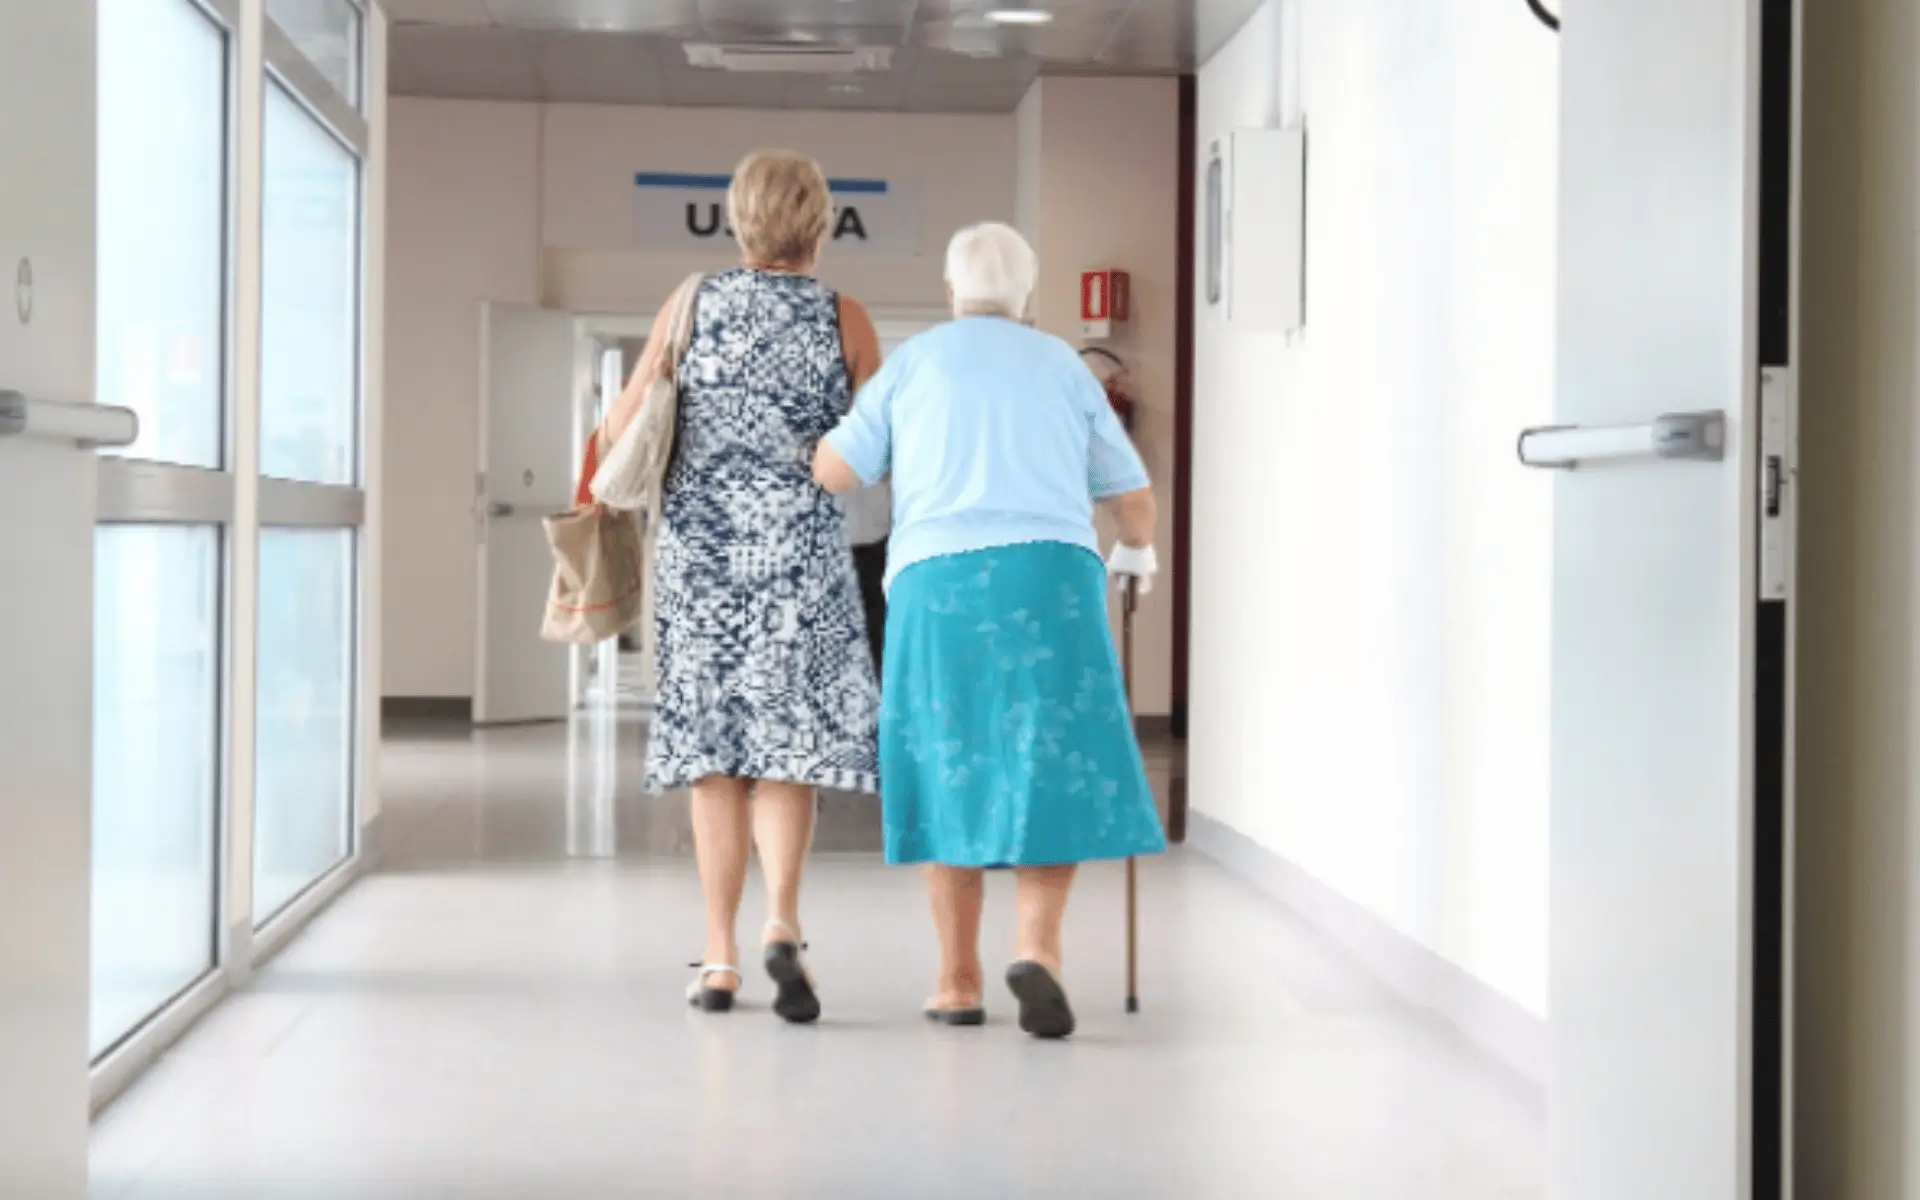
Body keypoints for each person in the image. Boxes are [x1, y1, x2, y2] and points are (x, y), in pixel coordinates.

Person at [812, 221, 1166, 1040]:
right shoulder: (1063, 368)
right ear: (1029, 295)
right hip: (1052, 578)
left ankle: (957, 981)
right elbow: (1133, 499)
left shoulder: (914, 363)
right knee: (1050, 760)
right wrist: (1137, 553)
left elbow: (836, 470)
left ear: (949, 291)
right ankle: (1037, 951)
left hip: (938, 587)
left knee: (948, 763)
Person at [600, 150, 884, 1022]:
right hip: (799, 561)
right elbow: (872, 452)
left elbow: (619, 426)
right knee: (787, 757)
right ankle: (784, 925)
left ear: (738, 221)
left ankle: (719, 956)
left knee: (713, 761)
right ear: (820, 223)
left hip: (700, 564)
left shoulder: (691, 303)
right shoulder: (846, 318)